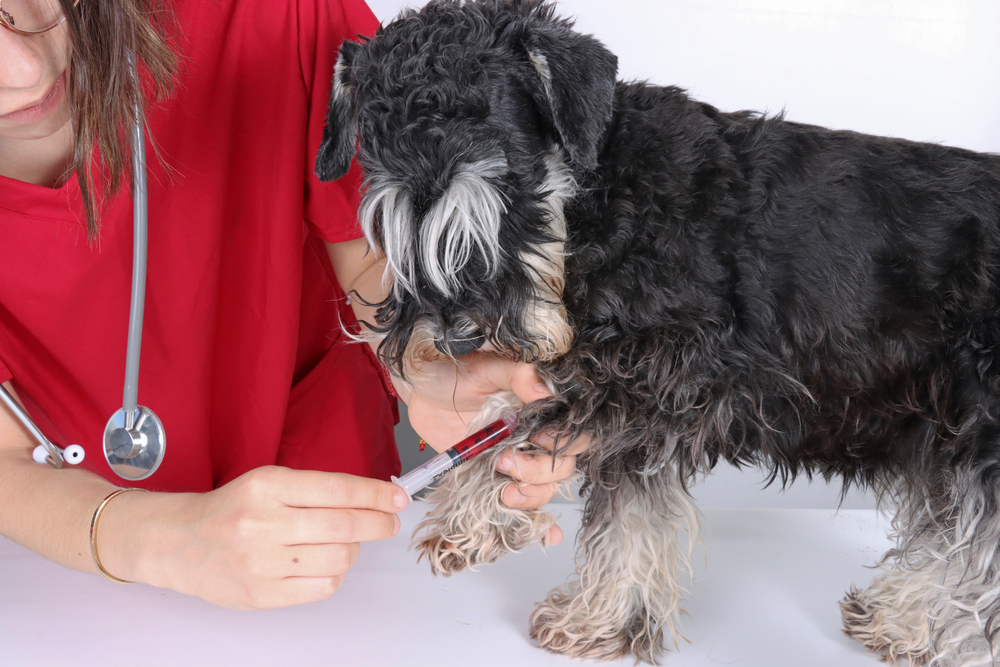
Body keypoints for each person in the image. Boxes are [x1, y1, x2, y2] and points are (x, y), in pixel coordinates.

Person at [0, 0, 583, 610]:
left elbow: (369, 252)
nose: (26, 71)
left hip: (345, 551)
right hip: (58, 575)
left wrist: (429, 367)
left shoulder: (273, 13)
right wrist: (155, 541)